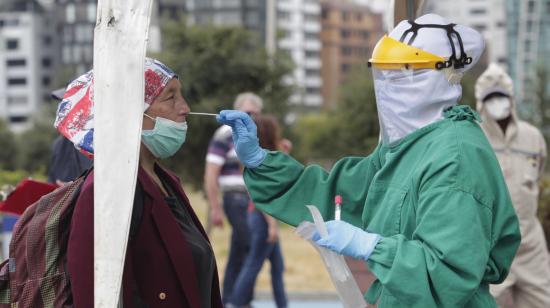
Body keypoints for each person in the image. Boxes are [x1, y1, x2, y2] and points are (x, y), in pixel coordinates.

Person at [217, 14, 521, 307]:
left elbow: (445, 276)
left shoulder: (456, 157)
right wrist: (260, 161)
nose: (388, 85)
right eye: (384, 73)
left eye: (403, 73)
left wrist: (370, 246)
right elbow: (335, 191)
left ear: (444, 75)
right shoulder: (407, 147)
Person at [56, 58, 223, 307]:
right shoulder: (104, 192)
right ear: (130, 113)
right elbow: (94, 295)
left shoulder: (168, 183)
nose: (185, 108)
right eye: (170, 97)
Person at [476, 63, 550, 308]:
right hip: (490, 246)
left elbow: (537, 176)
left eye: (502, 97)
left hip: (530, 245)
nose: (497, 103)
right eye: (491, 98)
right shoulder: (475, 138)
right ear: (481, 102)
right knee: (478, 303)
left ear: (512, 99)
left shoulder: (532, 137)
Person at [203, 92, 263, 304]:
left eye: (255, 114)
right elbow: (211, 172)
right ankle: (241, 299)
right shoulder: (225, 133)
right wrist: (215, 207)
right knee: (250, 246)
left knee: (239, 250)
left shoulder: (255, 135)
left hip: (251, 201)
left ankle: (228, 297)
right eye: (247, 113)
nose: (252, 117)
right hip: (234, 198)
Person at [227, 115, 288, 308]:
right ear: (271, 134)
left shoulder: (255, 157)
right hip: (263, 217)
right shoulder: (262, 162)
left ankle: (282, 305)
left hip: (258, 215)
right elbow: (264, 196)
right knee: (253, 264)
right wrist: (272, 225)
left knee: (277, 267)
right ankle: (236, 303)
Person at [47, 88, 93, 185]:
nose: (61, 107)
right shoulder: (58, 144)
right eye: (61, 102)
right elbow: (52, 179)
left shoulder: (90, 140)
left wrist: (74, 187)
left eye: (66, 102)